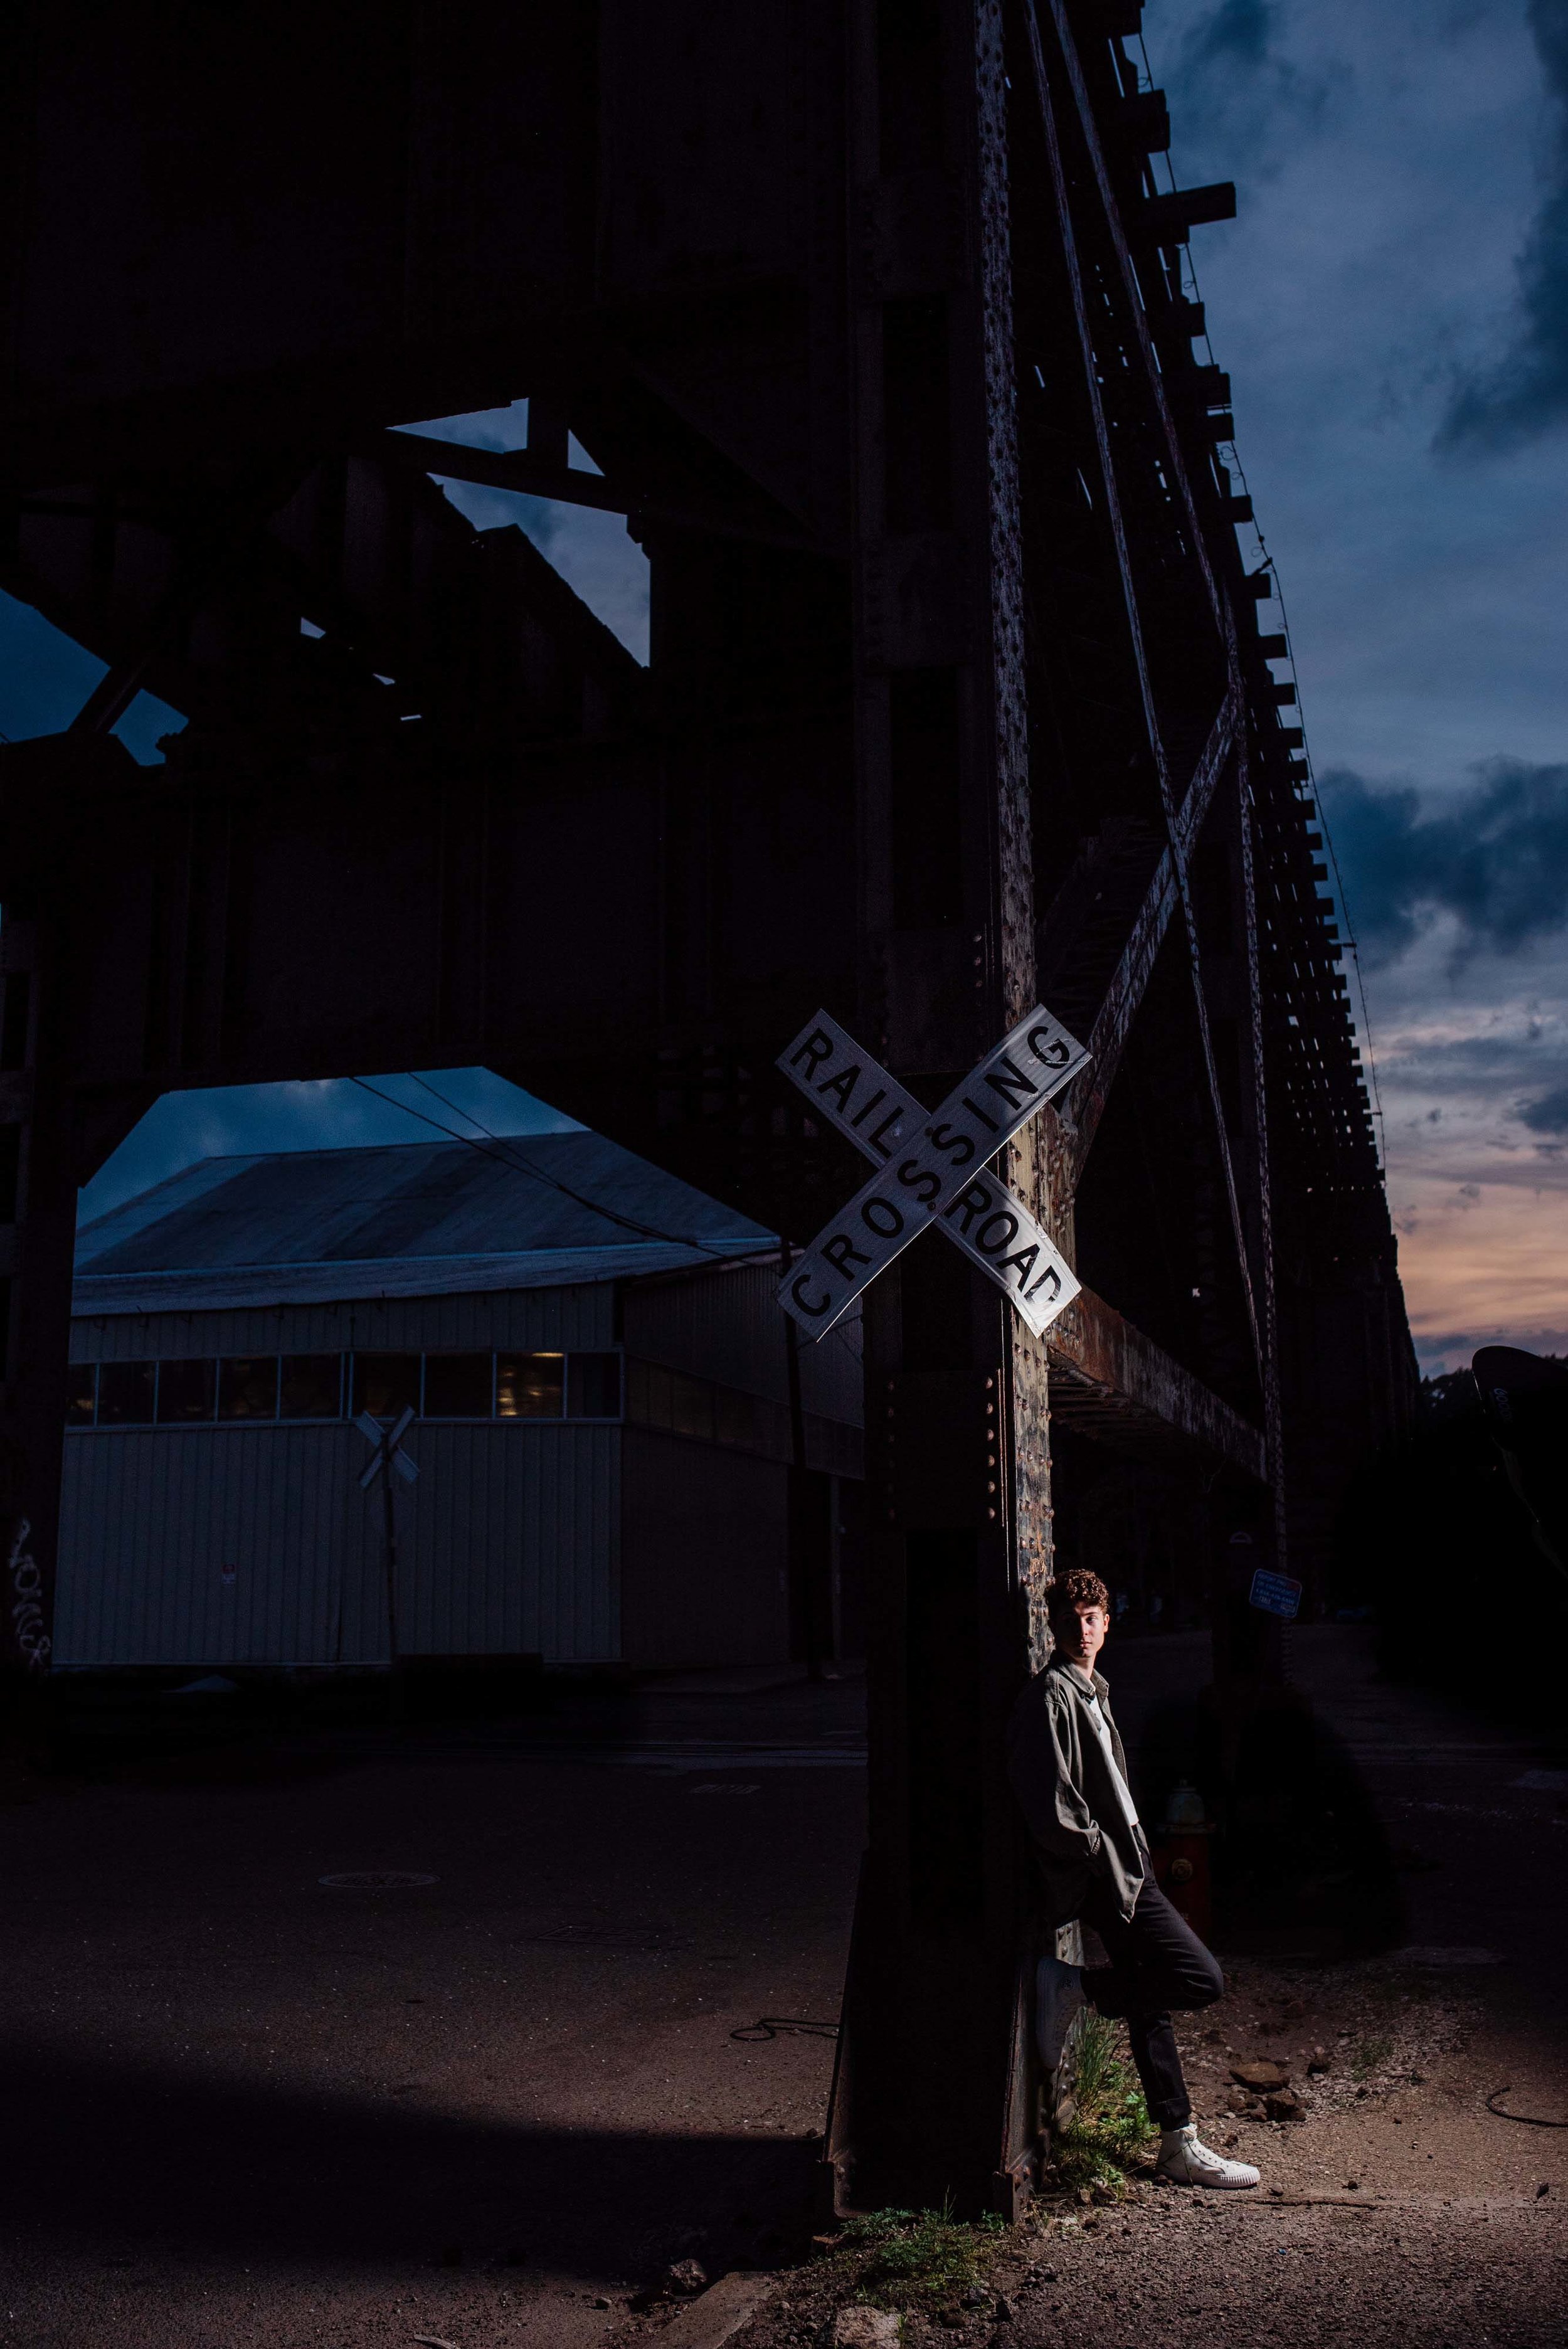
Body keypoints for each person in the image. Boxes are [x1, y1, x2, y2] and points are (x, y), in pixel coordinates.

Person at [1007, 1567, 1260, 2191]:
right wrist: (1099, 1850)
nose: (1081, 1630)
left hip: (1126, 1862)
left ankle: (1178, 2142)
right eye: (1069, 1621)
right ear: (1053, 1626)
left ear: (1106, 1623)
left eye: (1091, 1619)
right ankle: (1075, 1988)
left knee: (1151, 2001)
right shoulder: (1052, 1695)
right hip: (1108, 1873)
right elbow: (1050, 1803)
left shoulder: (1094, 1689)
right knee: (1199, 1977)